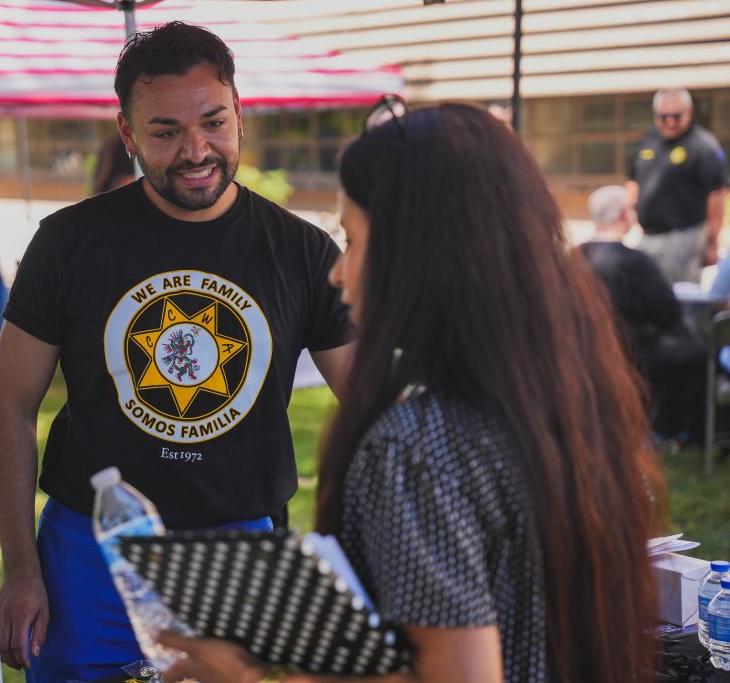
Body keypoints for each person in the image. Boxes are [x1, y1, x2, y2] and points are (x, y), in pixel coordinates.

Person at [158, 104, 665, 683]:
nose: (337, 272)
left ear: (420, 256)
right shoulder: (570, 403)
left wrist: (251, 674)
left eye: (353, 240)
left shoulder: (417, 448)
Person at [0, 21, 355, 682]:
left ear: (239, 114)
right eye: (165, 132)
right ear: (128, 134)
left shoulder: (302, 250)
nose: (195, 149)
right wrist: (20, 566)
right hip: (87, 551)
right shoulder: (66, 243)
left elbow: (369, 404)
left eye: (213, 122)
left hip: (242, 549)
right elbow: (10, 403)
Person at [579, 185, 705, 447]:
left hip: (580, 348)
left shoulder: (572, 257)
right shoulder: (635, 262)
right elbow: (668, 313)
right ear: (625, 214)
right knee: (696, 354)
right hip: (635, 351)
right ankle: (669, 430)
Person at [626, 88, 728, 284]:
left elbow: (718, 194)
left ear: (689, 112)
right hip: (646, 235)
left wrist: (712, 242)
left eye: (676, 116)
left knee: (677, 296)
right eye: (664, 117)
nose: (670, 121)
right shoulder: (648, 140)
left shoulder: (703, 145)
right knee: (644, 292)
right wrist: (628, 209)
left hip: (684, 237)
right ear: (656, 116)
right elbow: (632, 179)